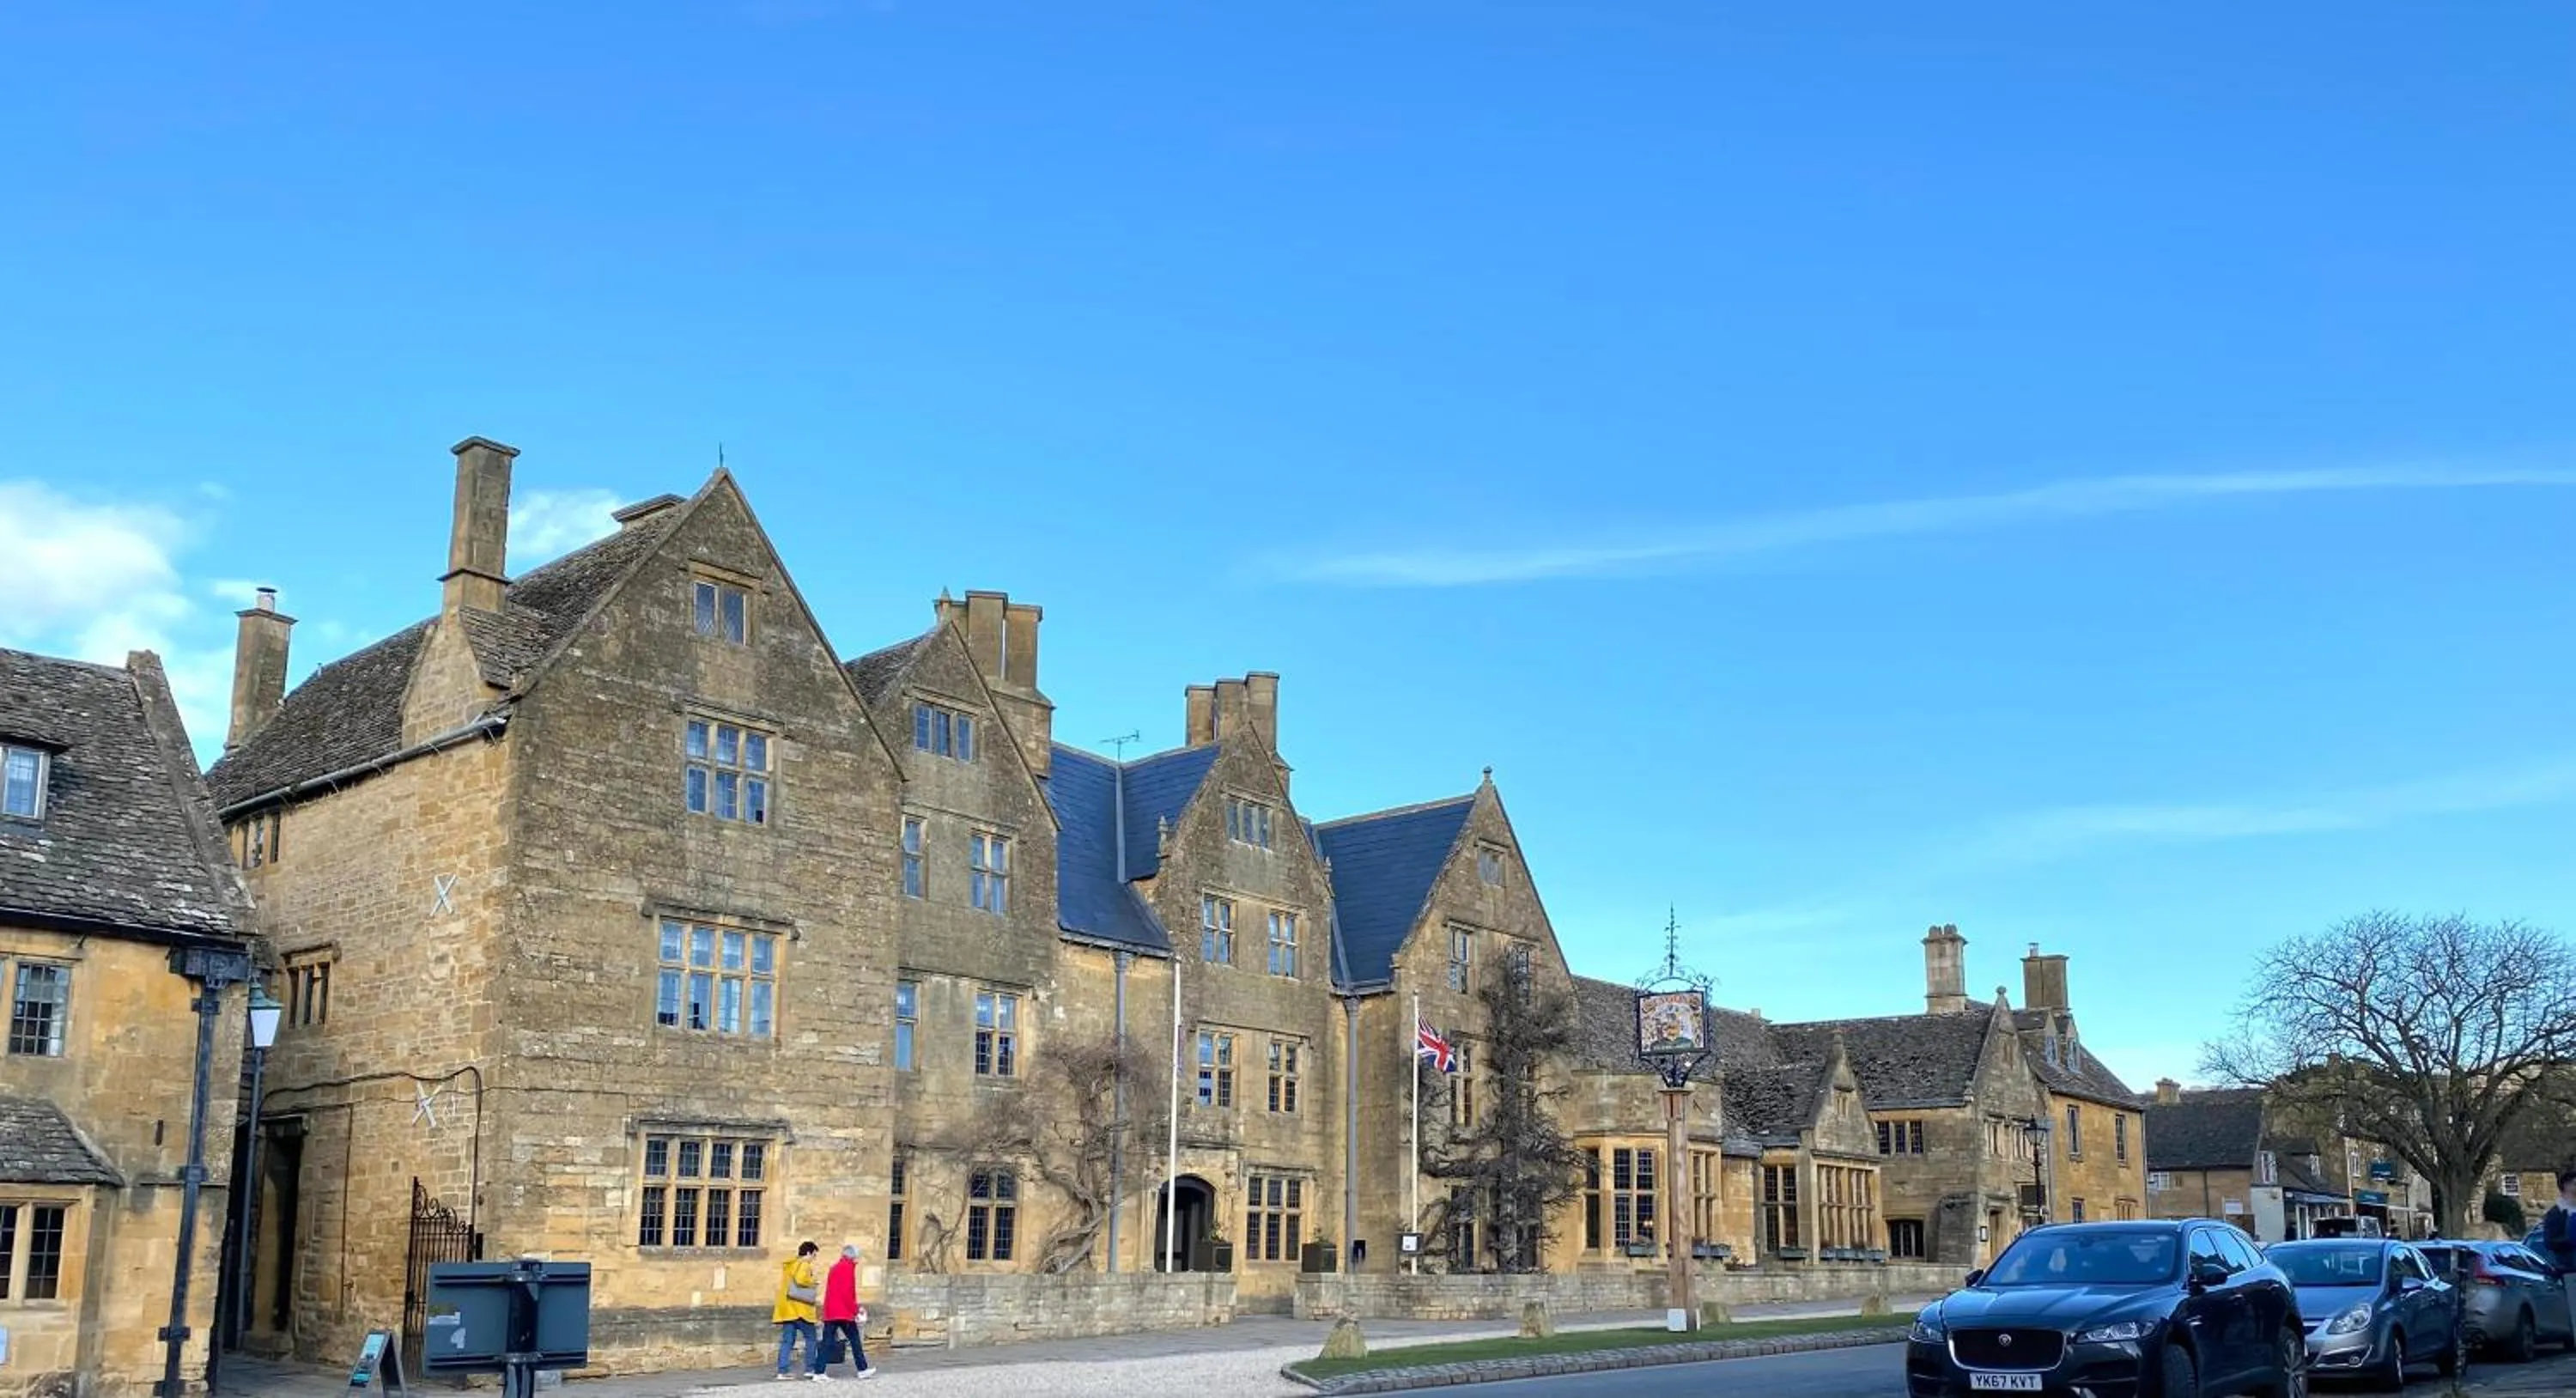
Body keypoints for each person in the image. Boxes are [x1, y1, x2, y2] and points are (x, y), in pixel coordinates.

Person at [819, 1243, 877, 1380]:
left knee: (827, 1342)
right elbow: (847, 1293)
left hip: (831, 1311)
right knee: (855, 1341)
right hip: (843, 1313)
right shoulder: (847, 1269)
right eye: (857, 1257)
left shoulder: (835, 1268)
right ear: (853, 1256)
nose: (858, 1259)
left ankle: (819, 1371)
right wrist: (856, 1310)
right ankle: (862, 1369)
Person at [774, 1240, 825, 1381]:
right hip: (801, 1309)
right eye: (813, 1255)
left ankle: (782, 1371)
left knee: (787, 1341)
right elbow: (801, 1279)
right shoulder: (803, 1264)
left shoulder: (790, 1265)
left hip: (788, 1309)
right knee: (811, 1339)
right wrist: (814, 1282)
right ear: (808, 1253)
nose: (813, 1259)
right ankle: (810, 1368)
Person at [2542, 1170, 2576, 1273]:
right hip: (2567, 1272)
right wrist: (2571, 1240)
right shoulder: (2555, 1214)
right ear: (2566, 1186)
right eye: (2575, 1184)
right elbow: (2550, 1242)